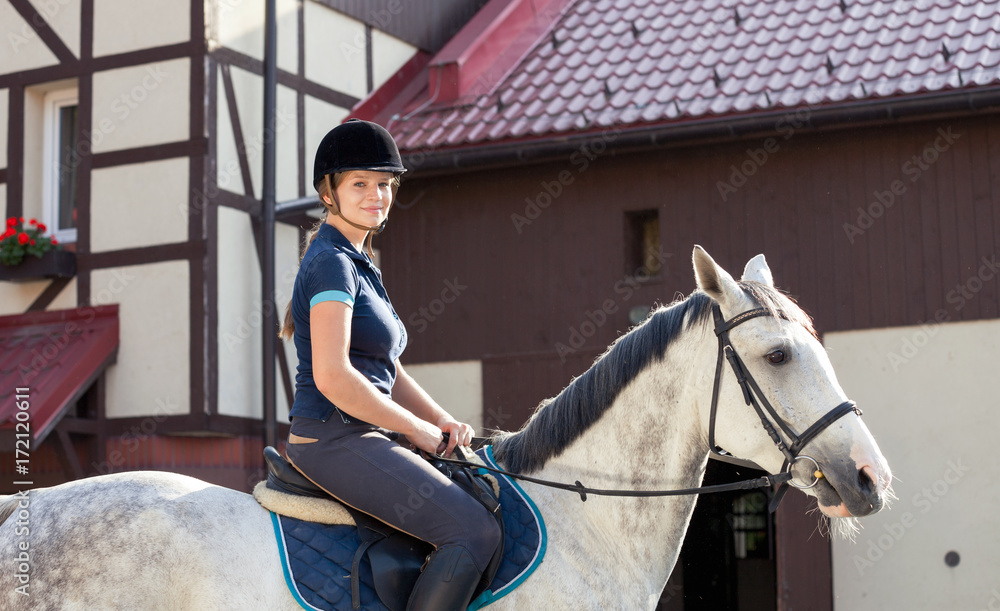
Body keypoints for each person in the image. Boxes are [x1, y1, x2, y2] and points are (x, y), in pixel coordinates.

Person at [279, 119, 501, 610]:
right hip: (333, 436)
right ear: (329, 192)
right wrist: (416, 430)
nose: (376, 195)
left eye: (384, 184)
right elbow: (333, 377)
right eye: (360, 183)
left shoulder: (361, 263)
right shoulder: (332, 264)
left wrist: (440, 419)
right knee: (472, 531)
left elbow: (387, 369)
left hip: (365, 434)